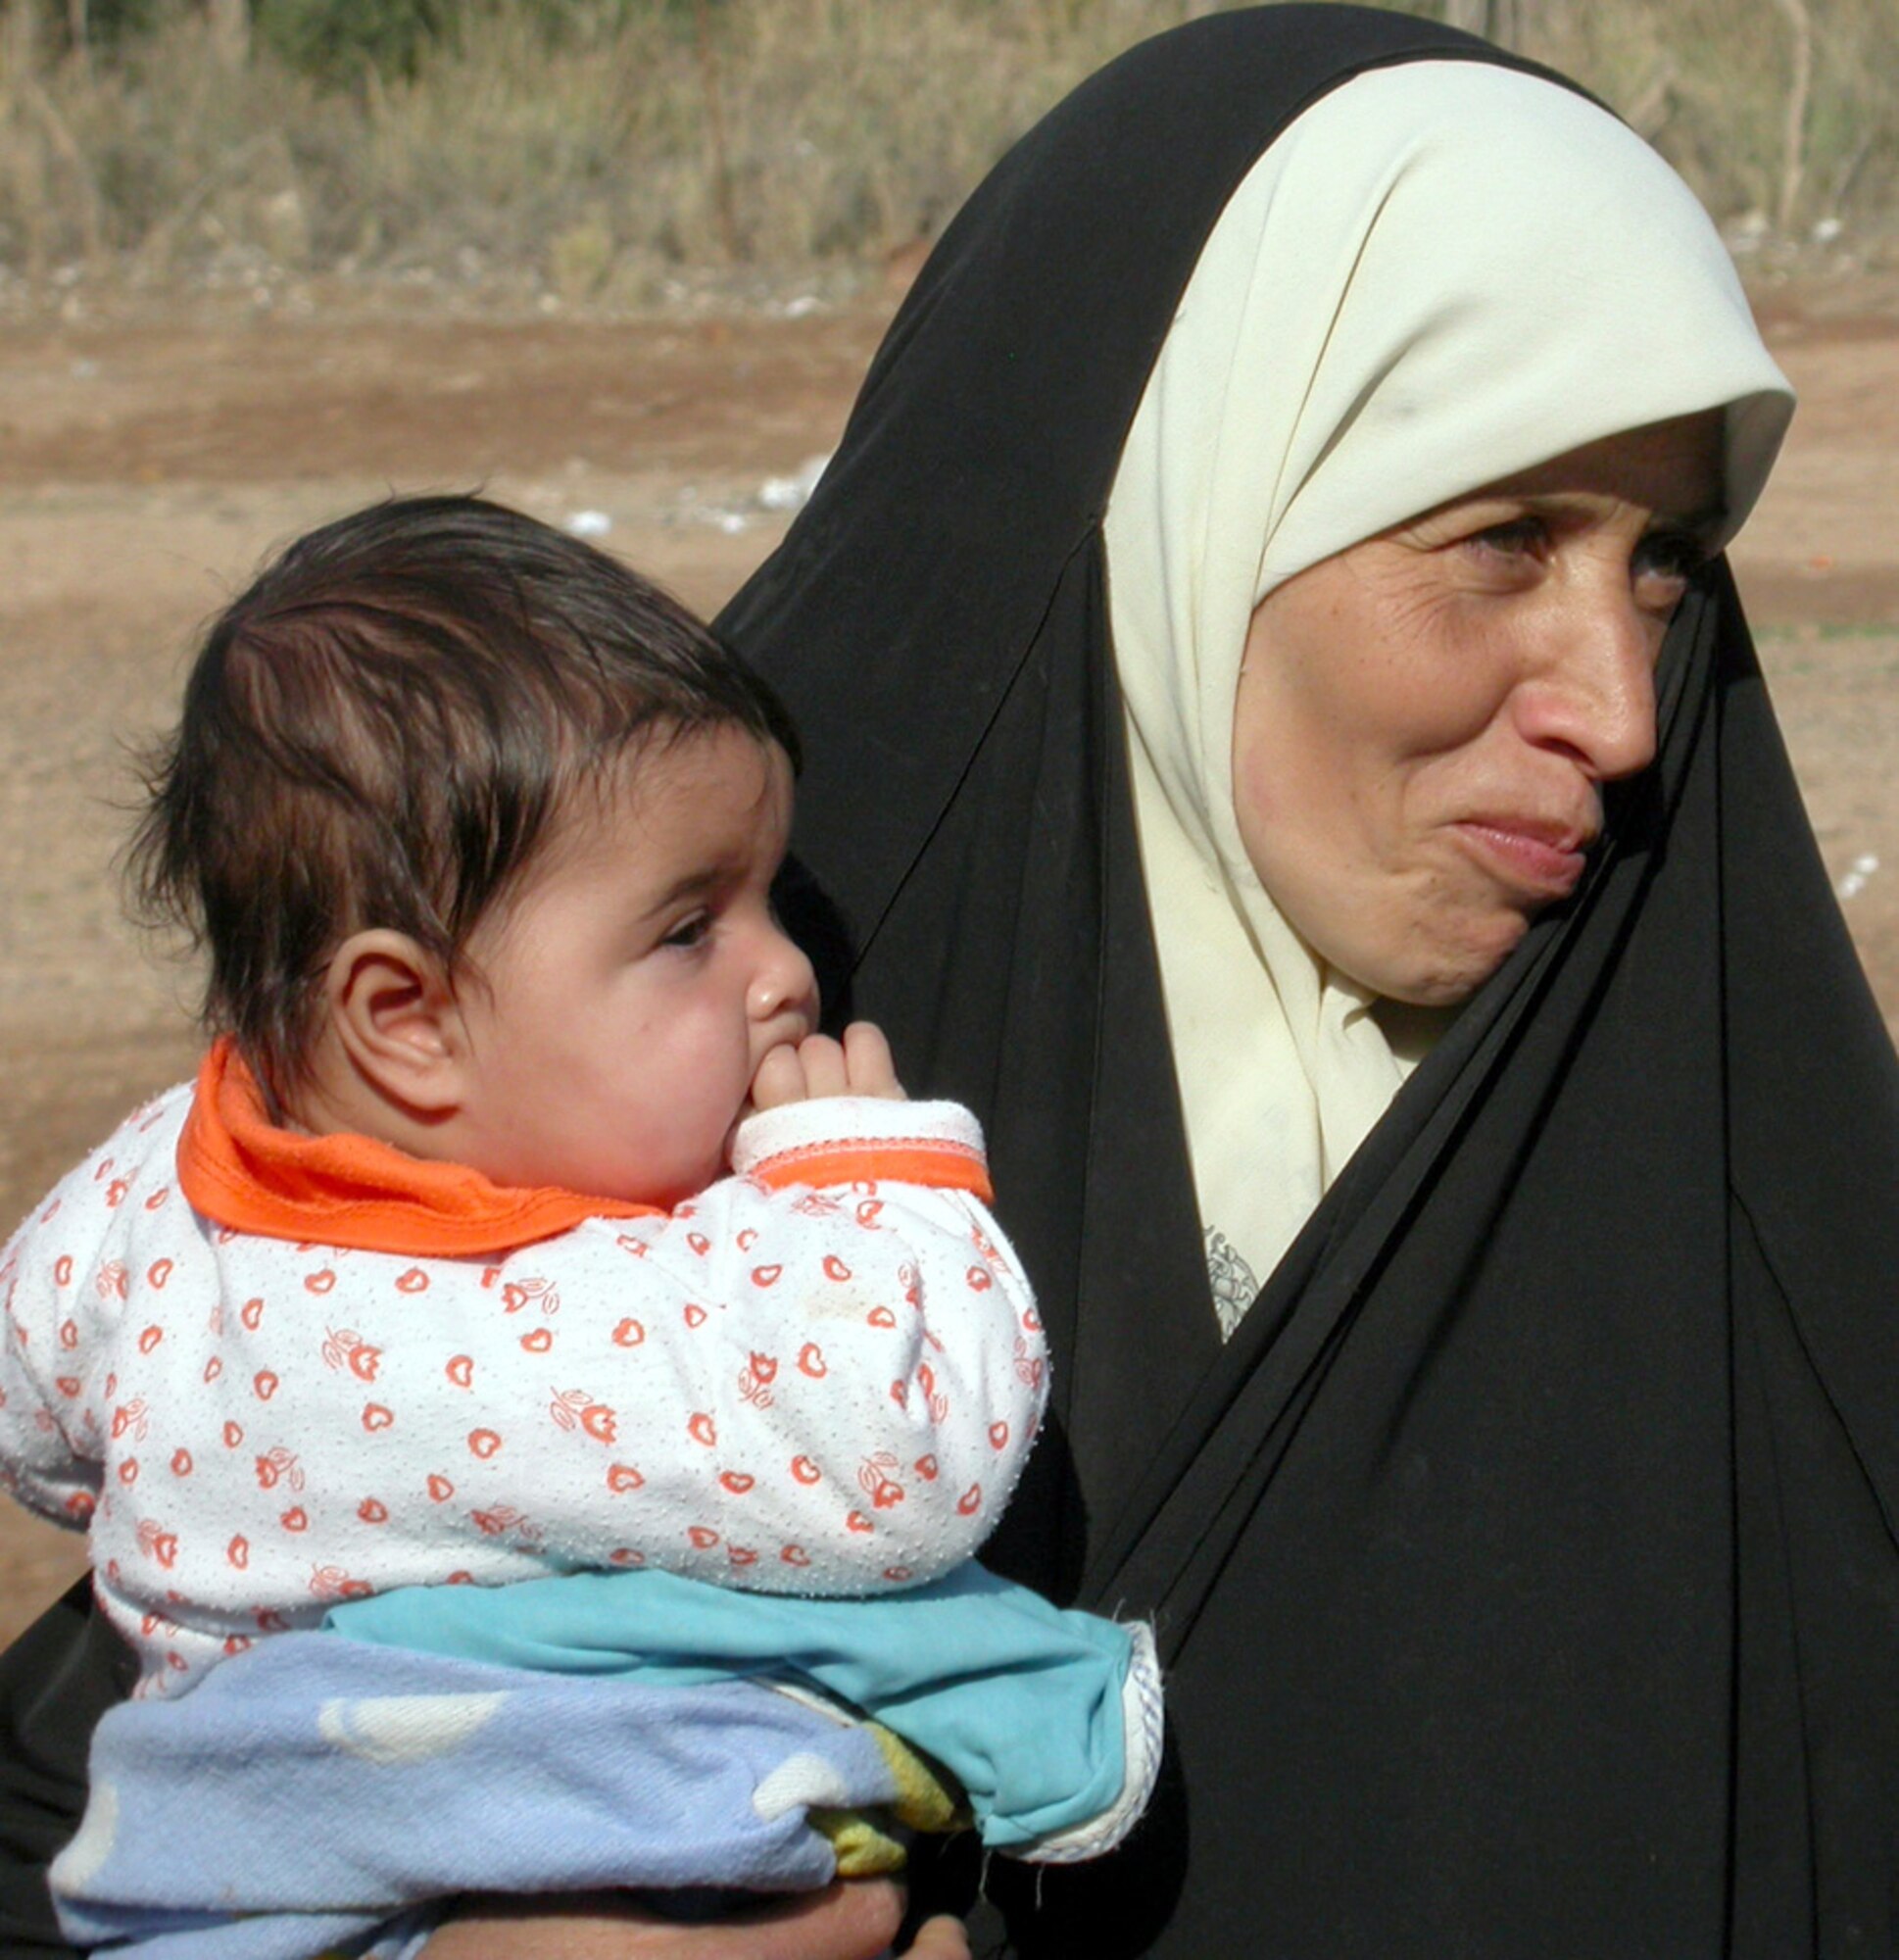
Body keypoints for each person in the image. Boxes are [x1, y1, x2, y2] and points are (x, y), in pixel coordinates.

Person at [3, 7, 1895, 1957]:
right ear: (1180, 505)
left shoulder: (1767, 1241)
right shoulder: (693, 1111)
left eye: (1669, 565)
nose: (1622, 708)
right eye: (1501, 537)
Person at [0, 498, 1157, 1956]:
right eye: (690, 930)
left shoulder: (155, 1185)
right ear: (406, 1021)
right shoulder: (605, 1312)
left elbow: (38, 1425)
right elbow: (901, 1465)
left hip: (212, 1872)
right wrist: (875, 1185)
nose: (786, 972)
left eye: (768, 895)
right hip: (572, 1858)